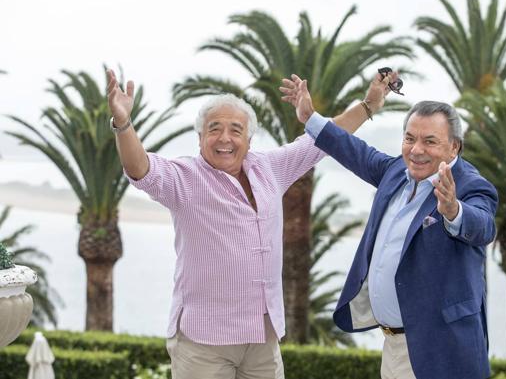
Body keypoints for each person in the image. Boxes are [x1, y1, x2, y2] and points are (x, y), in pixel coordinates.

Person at [106, 69, 397, 379]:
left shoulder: (268, 168)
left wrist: (368, 105)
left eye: (235, 130)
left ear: (248, 138)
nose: (225, 139)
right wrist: (123, 124)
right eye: (214, 129)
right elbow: (141, 168)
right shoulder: (184, 178)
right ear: (200, 137)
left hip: (262, 336)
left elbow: (325, 141)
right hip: (203, 341)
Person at [281, 75, 498, 379]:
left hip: (441, 352)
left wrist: (453, 210)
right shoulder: (396, 170)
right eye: (410, 138)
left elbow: (483, 225)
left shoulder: (471, 186)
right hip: (393, 346)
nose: (416, 149)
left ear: (454, 148)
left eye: (430, 141)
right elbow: (353, 149)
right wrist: (310, 118)